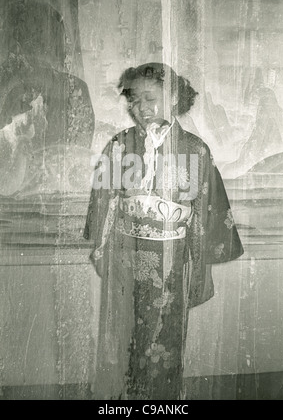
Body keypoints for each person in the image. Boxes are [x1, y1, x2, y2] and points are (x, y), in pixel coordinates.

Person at [84, 63, 244, 400]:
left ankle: (163, 402)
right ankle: (125, 401)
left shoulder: (195, 150)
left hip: (171, 263)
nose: (141, 108)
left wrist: (202, 269)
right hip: (126, 259)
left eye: (150, 98)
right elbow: (104, 203)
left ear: (172, 99)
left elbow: (205, 214)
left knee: (164, 341)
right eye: (135, 100)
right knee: (123, 337)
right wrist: (100, 249)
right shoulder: (119, 146)